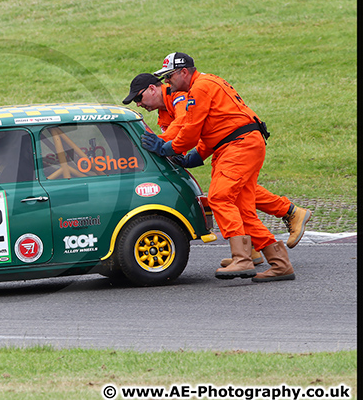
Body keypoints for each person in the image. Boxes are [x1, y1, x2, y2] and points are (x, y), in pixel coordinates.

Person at [123, 73, 312, 264]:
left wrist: (163, 145)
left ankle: (254, 249)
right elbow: (204, 132)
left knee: (221, 196)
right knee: (235, 196)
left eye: (138, 98)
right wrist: (188, 157)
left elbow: (186, 127)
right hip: (229, 145)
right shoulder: (164, 112)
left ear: (152, 89)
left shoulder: (178, 96)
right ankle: (260, 252)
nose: (138, 104)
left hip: (238, 144)